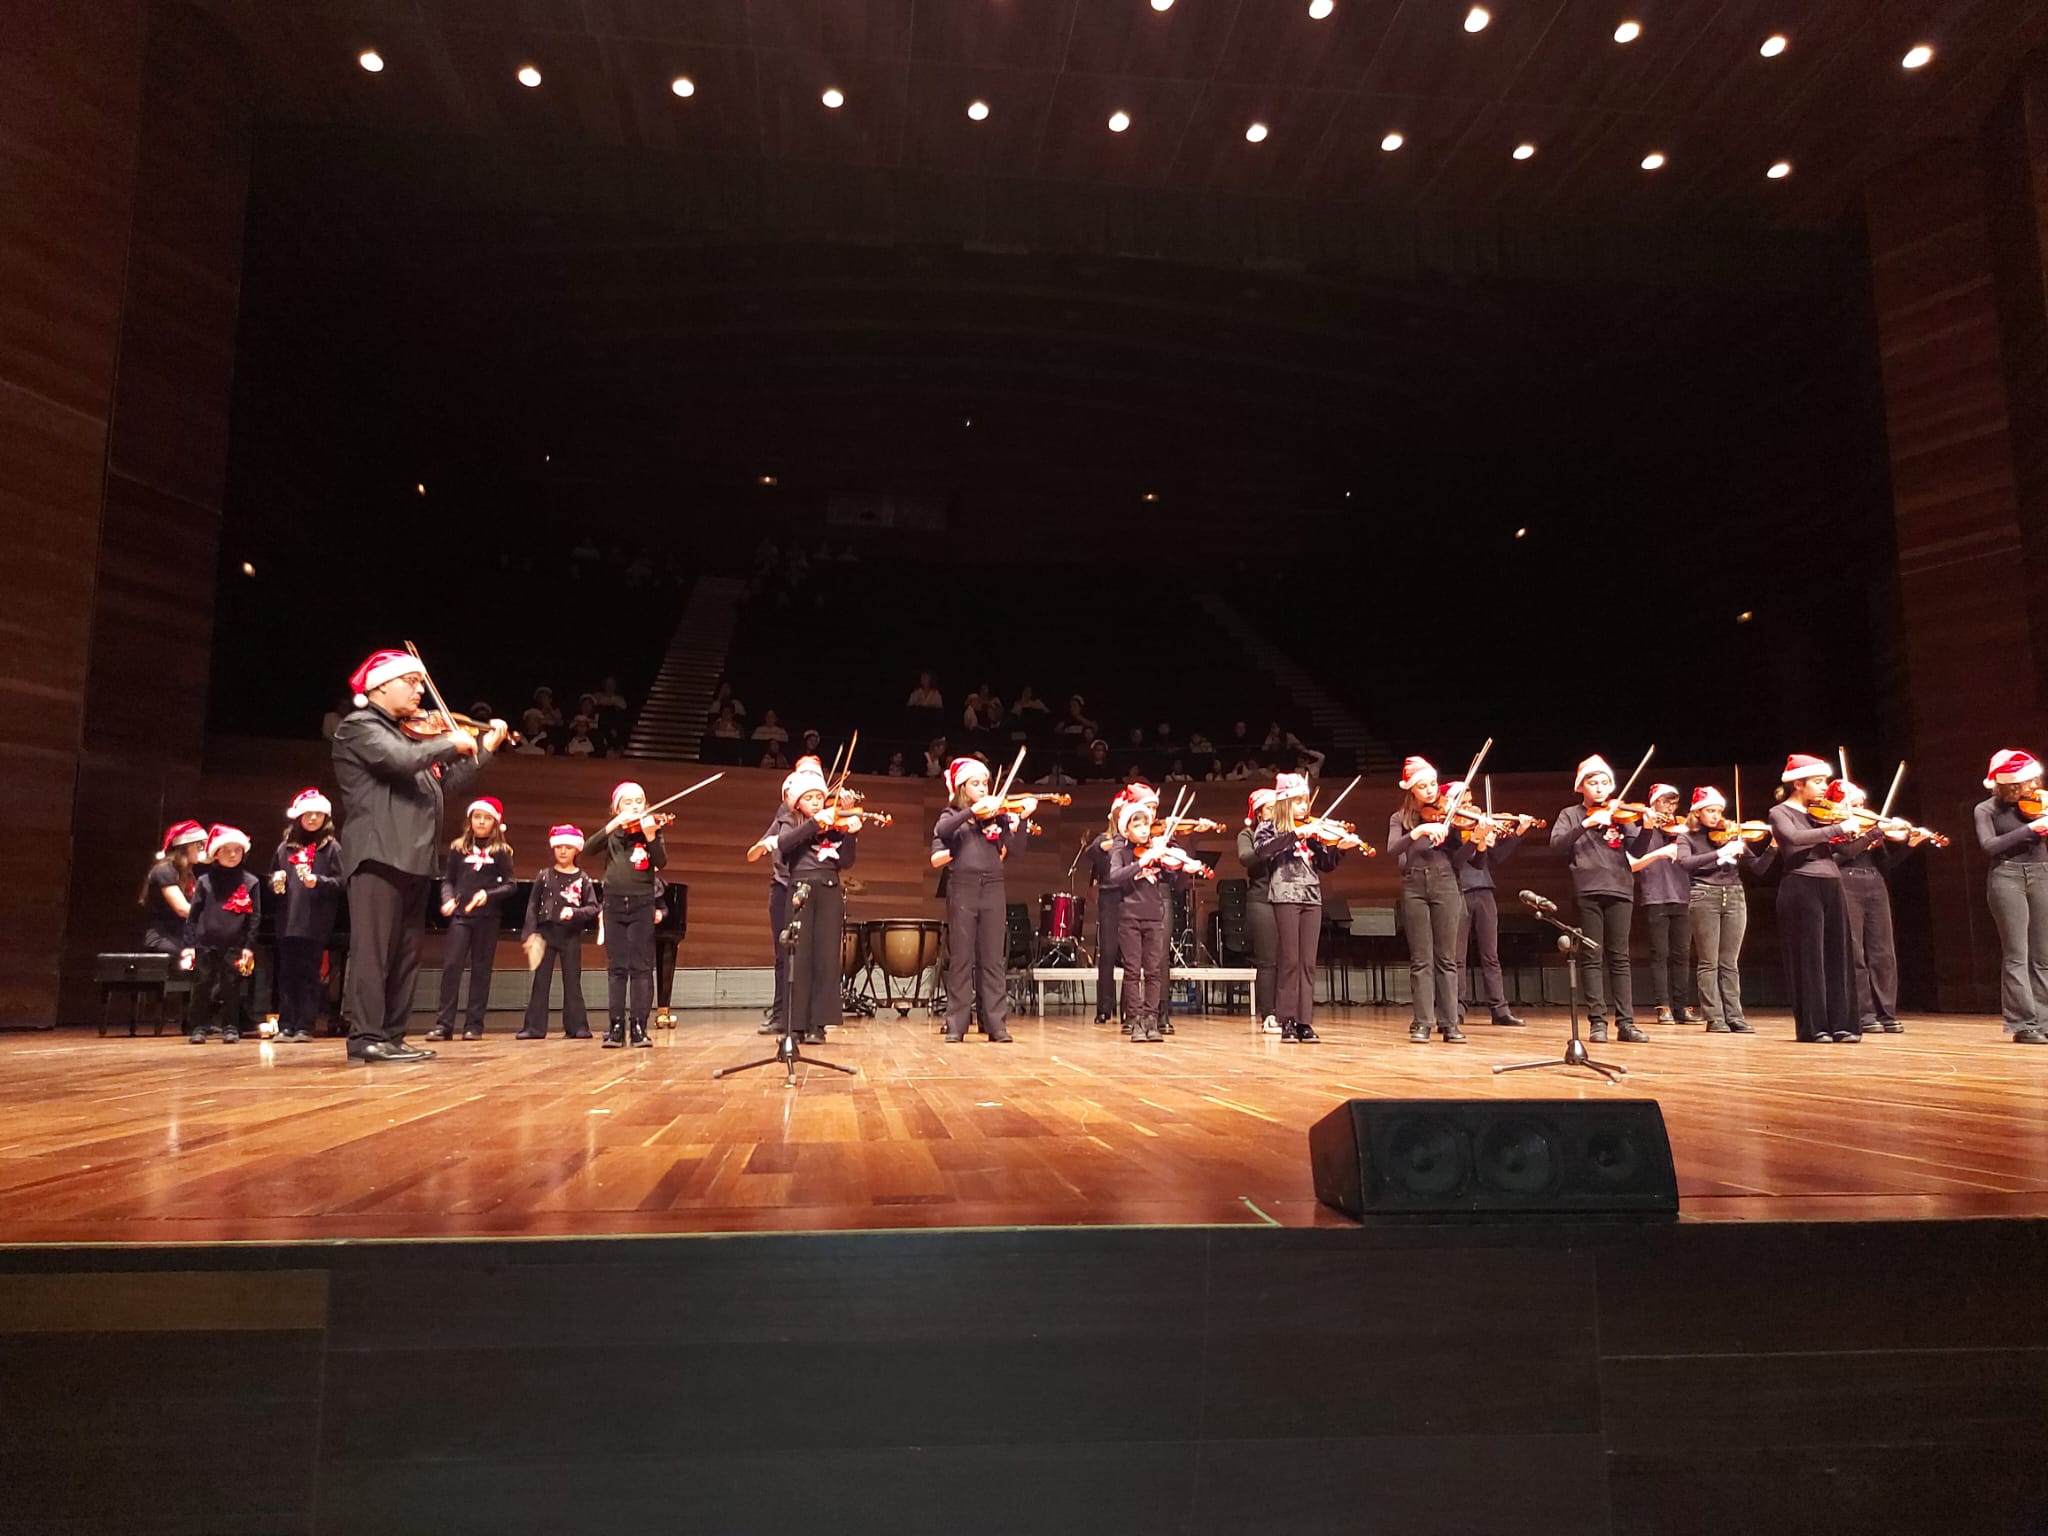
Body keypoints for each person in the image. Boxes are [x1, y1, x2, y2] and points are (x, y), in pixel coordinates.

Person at [333, 649, 507, 1063]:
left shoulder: (411, 736)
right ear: (380, 687)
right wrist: (449, 743)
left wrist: (483, 750)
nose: (419, 691)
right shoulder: (359, 727)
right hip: (378, 855)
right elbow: (399, 761)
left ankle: (391, 1035)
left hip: (413, 858)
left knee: (406, 954)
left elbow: (440, 788)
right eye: (410, 682)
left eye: (419, 683)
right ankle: (366, 1037)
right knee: (374, 952)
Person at [1550, 754, 1650, 1043]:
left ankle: (1626, 1023)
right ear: (1581, 786)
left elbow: (1638, 851)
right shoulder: (1571, 814)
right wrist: (1587, 823)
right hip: (1587, 890)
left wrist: (1648, 827)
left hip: (1620, 888)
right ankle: (1597, 1022)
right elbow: (1556, 845)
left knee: (1620, 958)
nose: (1599, 788)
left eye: (1605, 783)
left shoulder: (1620, 815)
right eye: (1593, 782)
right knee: (1592, 957)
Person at [931, 757, 1028, 1044]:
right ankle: (956, 1024)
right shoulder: (951, 815)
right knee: (962, 958)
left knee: (993, 959)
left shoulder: (997, 817)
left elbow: (1016, 850)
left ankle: (997, 1025)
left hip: (994, 887)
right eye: (976, 784)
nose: (984, 788)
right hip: (963, 887)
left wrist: (1022, 821)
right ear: (963, 787)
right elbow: (942, 832)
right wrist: (972, 811)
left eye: (985, 783)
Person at [1767, 754, 1862, 1043]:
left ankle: (1843, 1024)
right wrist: (1837, 829)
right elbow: (1794, 839)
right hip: (1801, 885)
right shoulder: (1779, 813)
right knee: (1809, 957)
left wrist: (1864, 833)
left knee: (1838, 954)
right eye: (1818, 782)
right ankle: (1814, 1026)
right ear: (1798, 783)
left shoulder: (1821, 813)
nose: (1824, 788)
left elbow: (1845, 851)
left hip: (1832, 883)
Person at [1255, 772, 1356, 1043]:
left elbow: (1325, 864)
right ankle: (1286, 1020)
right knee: (1289, 960)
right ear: (1286, 802)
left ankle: (1304, 1021)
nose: (1304, 807)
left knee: (1308, 963)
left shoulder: (1312, 831)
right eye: (1298, 801)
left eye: (1305, 801)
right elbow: (1263, 851)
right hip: (1285, 894)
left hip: (1312, 896)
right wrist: (1295, 834)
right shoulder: (1269, 827)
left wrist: (1340, 848)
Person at [1829, 776, 1931, 1036]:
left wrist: (1909, 846)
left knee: (1883, 952)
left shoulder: (1871, 831)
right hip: (1846, 883)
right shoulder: (1832, 831)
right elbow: (1841, 856)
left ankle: (1887, 1013)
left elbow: (1886, 865)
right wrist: (1872, 833)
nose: (1861, 810)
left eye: (1861, 804)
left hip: (1875, 883)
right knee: (1855, 952)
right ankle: (1864, 1013)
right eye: (1853, 805)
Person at [775, 762, 860, 1045]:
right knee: (798, 956)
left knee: (826, 956)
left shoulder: (835, 826)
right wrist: (814, 823)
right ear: (797, 802)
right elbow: (784, 845)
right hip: (800, 888)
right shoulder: (791, 821)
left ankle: (818, 1024)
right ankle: (795, 1024)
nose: (815, 802)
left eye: (819, 798)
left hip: (829, 889)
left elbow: (846, 861)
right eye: (809, 798)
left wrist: (851, 835)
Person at [1673, 786, 1767, 1033]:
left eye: (1719, 811)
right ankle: (1714, 1017)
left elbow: (1759, 868)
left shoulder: (1731, 835)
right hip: (1705, 895)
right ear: (1697, 812)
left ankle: (1735, 1016)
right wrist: (1720, 853)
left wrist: (1774, 847)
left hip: (1735, 895)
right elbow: (1685, 863)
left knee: (1729, 962)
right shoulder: (1687, 837)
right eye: (1710, 811)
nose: (1716, 816)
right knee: (1709, 962)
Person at [1387, 758, 1468, 1045]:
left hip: (1446, 883)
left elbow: (1460, 859)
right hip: (1414, 886)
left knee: (1447, 958)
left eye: (1433, 784)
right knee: (1421, 959)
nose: (1431, 790)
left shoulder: (1450, 815)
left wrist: (1475, 839)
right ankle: (1422, 1022)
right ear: (1411, 790)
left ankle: (1450, 1023)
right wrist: (1418, 831)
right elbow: (1393, 849)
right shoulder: (1400, 818)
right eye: (1423, 786)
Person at [1103, 798, 1194, 1044]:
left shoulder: (1156, 851)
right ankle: (1135, 1021)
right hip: (1129, 917)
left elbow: (1174, 882)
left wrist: (1184, 870)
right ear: (1126, 829)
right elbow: (1115, 876)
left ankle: (1152, 1020)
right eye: (1137, 826)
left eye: (1146, 825)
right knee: (1132, 972)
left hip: (1154, 916)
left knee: (1154, 971)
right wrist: (1142, 862)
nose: (1144, 830)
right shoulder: (1121, 852)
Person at [429, 796, 516, 1042]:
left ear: (495, 823)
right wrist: (448, 899)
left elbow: (511, 885)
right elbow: (448, 880)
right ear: (470, 820)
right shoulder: (458, 848)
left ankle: (474, 1025)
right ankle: (444, 1024)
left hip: (488, 919)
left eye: (487, 818)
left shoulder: (502, 852)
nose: (481, 822)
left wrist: (488, 895)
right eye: (477, 817)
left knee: (481, 970)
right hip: (461, 917)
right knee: (452, 967)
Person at [1975, 749, 2048, 1042]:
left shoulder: (2040, 803)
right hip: (2007, 877)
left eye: (2035, 780)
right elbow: (1989, 846)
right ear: (2009, 785)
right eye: (2027, 782)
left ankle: (2045, 1020)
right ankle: (2023, 1024)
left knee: (2043, 954)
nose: (2034, 786)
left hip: (2042, 873)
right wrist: (2031, 829)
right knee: (2017, 953)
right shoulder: (1986, 809)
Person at [596, 781, 670, 1048]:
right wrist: (613, 825)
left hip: (642, 903)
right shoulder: (614, 833)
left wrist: (650, 837)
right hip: (614, 903)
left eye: (639, 801)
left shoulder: (651, 830)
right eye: (628, 802)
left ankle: (639, 1026)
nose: (635, 806)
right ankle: (616, 1026)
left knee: (641, 966)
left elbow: (661, 861)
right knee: (617, 967)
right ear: (617, 808)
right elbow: (589, 847)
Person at [1452, 792, 1534, 1030]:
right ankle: (1456, 1009)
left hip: (1484, 890)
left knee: (1491, 955)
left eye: (1470, 802)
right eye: (1463, 803)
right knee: (1457, 957)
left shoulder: (1479, 823)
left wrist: (1518, 833)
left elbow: (1497, 856)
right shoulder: (1450, 828)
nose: (1470, 808)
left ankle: (1500, 1010)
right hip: (1458, 891)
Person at [269, 789, 343, 1043]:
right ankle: (285, 1024)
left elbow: (342, 882)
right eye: (308, 814)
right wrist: (275, 881)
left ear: (326, 818)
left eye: (318, 814)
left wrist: (318, 882)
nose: (312, 818)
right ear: (298, 817)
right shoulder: (285, 848)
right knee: (286, 974)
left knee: (309, 974)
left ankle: (304, 1025)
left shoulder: (331, 848)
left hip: (314, 921)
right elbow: (273, 877)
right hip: (287, 920)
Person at [179, 825, 260, 1045]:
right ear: (215, 853)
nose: (233, 855)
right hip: (205, 942)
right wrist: (189, 945)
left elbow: (254, 917)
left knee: (231, 987)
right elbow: (193, 915)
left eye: (237, 850)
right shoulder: (205, 881)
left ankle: (231, 1026)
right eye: (226, 850)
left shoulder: (250, 882)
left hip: (235, 943)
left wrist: (249, 946)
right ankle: (198, 1026)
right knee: (203, 985)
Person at [748, 762, 811, 1036]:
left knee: (808, 956)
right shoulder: (784, 815)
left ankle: (807, 1018)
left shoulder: (820, 815)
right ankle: (780, 1014)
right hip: (783, 888)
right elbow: (759, 849)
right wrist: (764, 845)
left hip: (808, 889)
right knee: (783, 954)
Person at [517, 825, 598, 1040]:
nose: (563, 851)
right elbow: (532, 905)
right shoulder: (544, 876)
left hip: (570, 935)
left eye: (568, 847)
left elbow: (593, 907)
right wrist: (529, 933)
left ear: (576, 850)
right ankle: (534, 1027)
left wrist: (575, 912)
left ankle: (577, 1027)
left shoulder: (582, 878)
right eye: (559, 847)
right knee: (541, 981)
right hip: (546, 933)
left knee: (572, 981)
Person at [1082, 783, 1152, 1026]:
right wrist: (1109, 844)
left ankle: (1128, 1009)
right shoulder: (1105, 839)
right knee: (1109, 952)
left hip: (1131, 896)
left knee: (1131, 955)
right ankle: (1104, 1007)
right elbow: (1091, 851)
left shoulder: (1135, 843)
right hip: (1110, 898)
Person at [1630, 783, 1696, 1026]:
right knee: (1660, 954)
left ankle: (1682, 1006)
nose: (1669, 808)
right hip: (1655, 895)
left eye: (1673, 803)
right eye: (1665, 802)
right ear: (1653, 803)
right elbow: (1633, 860)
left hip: (1683, 895)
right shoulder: (1641, 830)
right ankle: (1663, 1006)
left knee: (1682, 954)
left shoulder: (1682, 831)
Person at [1236, 787, 1281, 1033]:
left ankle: (1289, 1012)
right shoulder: (1248, 834)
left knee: (1289, 960)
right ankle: (1269, 1015)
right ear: (1259, 813)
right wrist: (1271, 844)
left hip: (1286, 898)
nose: (1275, 812)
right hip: (1261, 899)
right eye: (1270, 808)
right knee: (1267, 961)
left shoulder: (1287, 831)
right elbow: (1246, 857)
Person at [141, 820, 207, 955]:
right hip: (162, 937)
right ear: (186, 846)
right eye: (199, 845)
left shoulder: (188, 874)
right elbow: (182, 909)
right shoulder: (164, 870)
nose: (202, 850)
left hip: (179, 935)